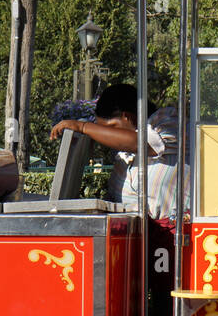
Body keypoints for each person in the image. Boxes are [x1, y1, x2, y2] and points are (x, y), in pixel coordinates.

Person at [50, 83, 185, 220]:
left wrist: (84, 127)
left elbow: (144, 144)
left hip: (173, 231)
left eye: (112, 128)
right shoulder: (123, 156)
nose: (106, 135)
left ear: (127, 117)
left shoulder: (167, 122)